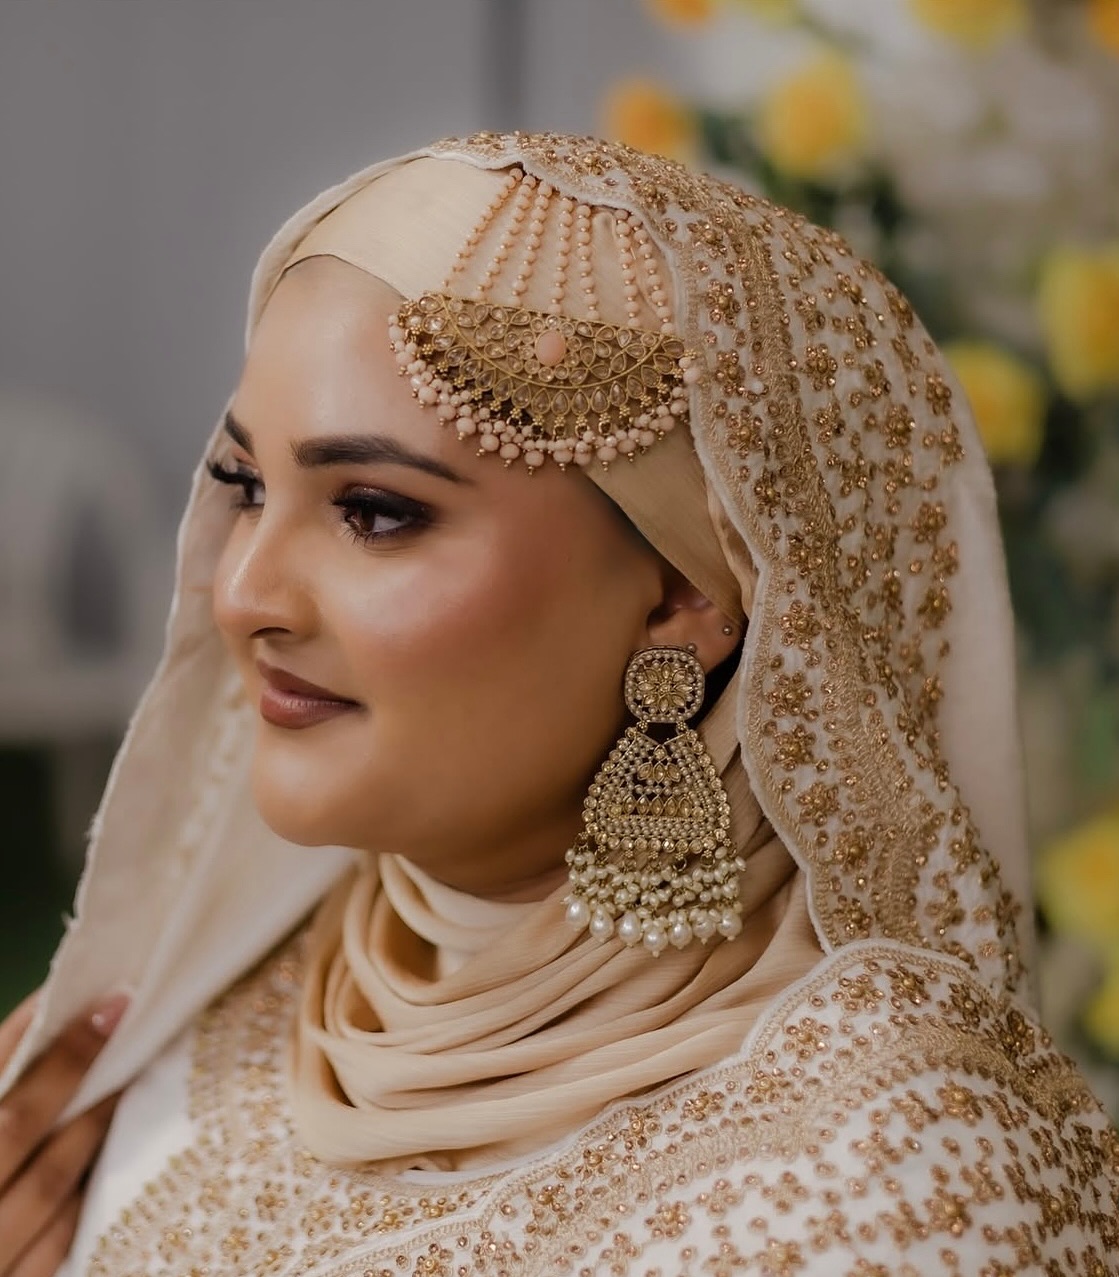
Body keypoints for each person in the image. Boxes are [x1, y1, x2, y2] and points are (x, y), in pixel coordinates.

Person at [0, 131, 1115, 1276]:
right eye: (243, 485)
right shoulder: (186, 1016)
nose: (241, 593)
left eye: (375, 510)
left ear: (688, 589)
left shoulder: (900, 1180)